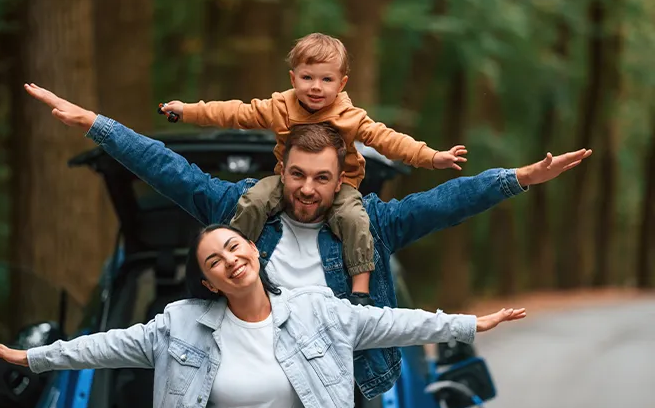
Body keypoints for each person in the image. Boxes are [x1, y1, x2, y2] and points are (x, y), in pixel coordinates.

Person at [23, 82, 591, 400]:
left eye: (323, 178)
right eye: (297, 175)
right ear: (282, 169)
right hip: (235, 389)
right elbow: (166, 168)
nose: (308, 189)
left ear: (342, 176)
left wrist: (518, 178)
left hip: (333, 394)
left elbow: (448, 201)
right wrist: (97, 123)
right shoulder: (240, 214)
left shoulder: (372, 222)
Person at [0, 224, 526, 408]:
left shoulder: (317, 310)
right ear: (209, 282)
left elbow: (389, 322)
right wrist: (33, 359)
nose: (230, 260)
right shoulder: (178, 325)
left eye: (235, 247)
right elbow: (104, 346)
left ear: (254, 253)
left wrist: (471, 323)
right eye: (215, 261)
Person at [159, 33, 468, 305]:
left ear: (341, 83)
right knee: (253, 199)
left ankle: (361, 289)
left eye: (326, 80)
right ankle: (245, 265)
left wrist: (432, 157)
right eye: (308, 78)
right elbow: (233, 113)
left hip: (340, 184)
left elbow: (389, 141)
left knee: (354, 218)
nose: (316, 87)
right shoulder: (280, 107)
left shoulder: (350, 117)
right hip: (287, 181)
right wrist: (186, 110)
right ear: (293, 79)